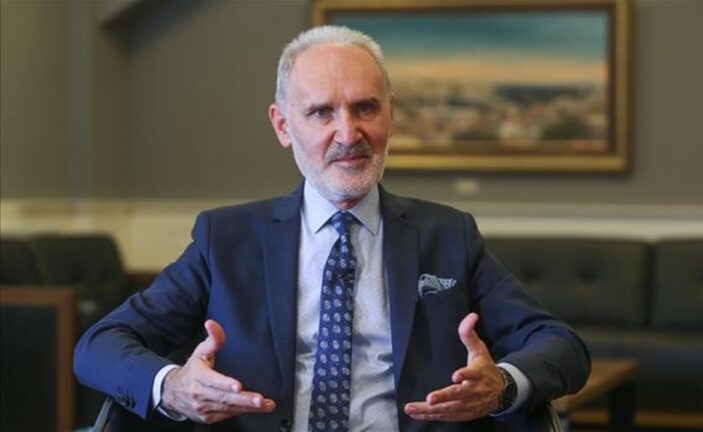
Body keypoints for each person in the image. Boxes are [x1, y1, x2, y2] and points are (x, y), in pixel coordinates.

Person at [74, 25, 590, 432]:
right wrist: (173, 387)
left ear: (391, 114)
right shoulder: (224, 239)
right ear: (283, 126)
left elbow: (560, 345)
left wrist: (501, 386)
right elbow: (100, 344)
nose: (349, 133)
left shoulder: (448, 235)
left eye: (365, 108)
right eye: (322, 112)